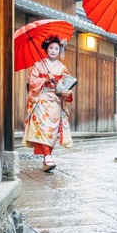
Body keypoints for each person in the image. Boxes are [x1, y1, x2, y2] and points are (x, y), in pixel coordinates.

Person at [23, 36, 74, 172]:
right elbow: (31, 82)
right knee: (43, 128)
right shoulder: (38, 65)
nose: (53, 50)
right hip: (42, 99)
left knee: (53, 130)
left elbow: (67, 85)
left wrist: (66, 93)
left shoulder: (62, 68)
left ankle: (48, 156)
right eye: (51, 47)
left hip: (56, 101)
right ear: (46, 49)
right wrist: (45, 79)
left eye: (56, 48)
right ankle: (47, 156)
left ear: (60, 50)